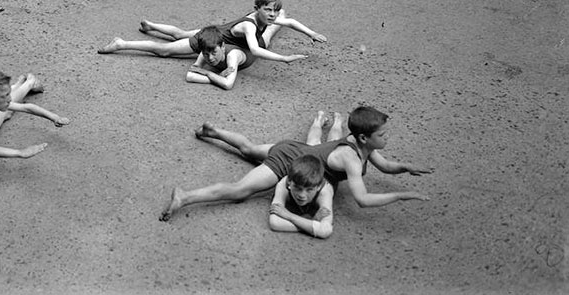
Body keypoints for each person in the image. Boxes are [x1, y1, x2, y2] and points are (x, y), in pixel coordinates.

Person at [159, 106, 432, 222]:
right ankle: (184, 196)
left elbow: (385, 165)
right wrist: (401, 195)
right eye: (382, 135)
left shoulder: (364, 146)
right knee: (241, 190)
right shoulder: (351, 155)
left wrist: (406, 167)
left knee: (251, 149)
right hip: (291, 160)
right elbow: (362, 199)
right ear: (363, 136)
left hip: (299, 149)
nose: (387, 138)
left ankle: (215, 132)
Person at [98, 0, 324, 89]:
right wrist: (283, 59)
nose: (272, 15)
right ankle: (123, 43)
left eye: (275, 11)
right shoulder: (248, 25)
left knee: (180, 34)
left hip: (220, 35)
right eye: (269, 11)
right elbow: (254, 50)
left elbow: (291, 22)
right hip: (215, 39)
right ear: (257, 9)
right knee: (166, 49)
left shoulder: (261, 17)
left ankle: (151, 25)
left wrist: (311, 33)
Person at [269, 154, 335, 238]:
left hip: (330, 165)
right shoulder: (283, 184)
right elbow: (275, 223)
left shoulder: (324, 192)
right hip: (295, 153)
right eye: (297, 188)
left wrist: (288, 215)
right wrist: (311, 222)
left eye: (309, 190)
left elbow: (325, 230)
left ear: (318, 187)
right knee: (251, 151)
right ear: (289, 182)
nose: (302, 195)